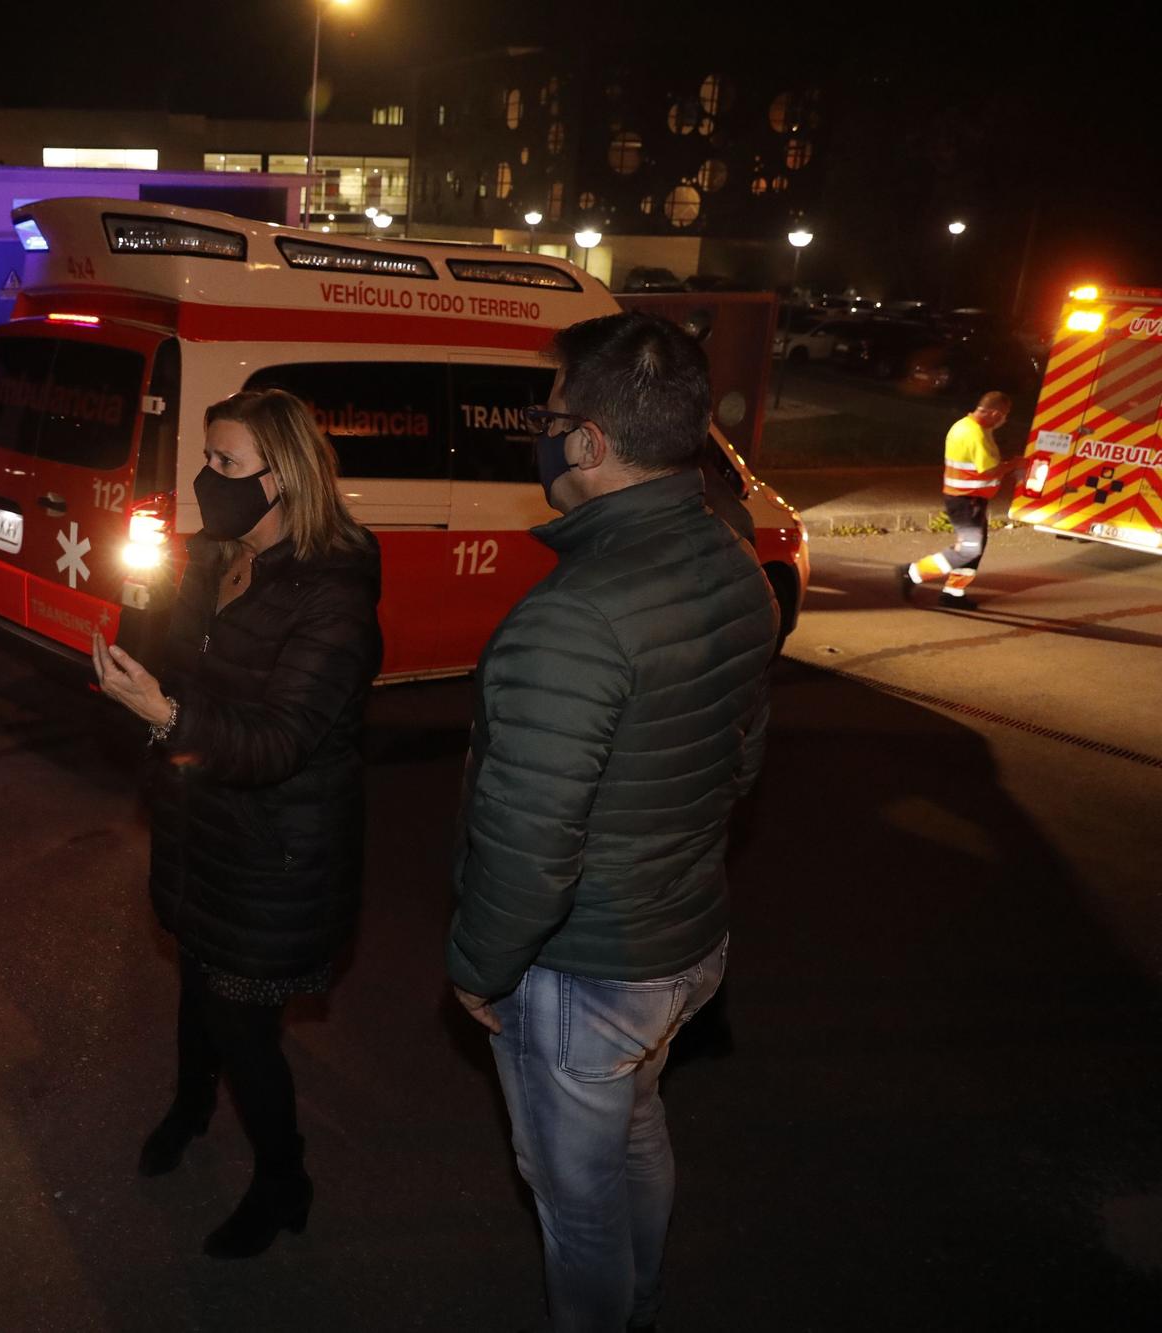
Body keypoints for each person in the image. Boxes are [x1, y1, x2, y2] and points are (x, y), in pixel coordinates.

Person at [448, 312, 778, 1333]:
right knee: (636, 1130)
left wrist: (477, 964)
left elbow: (528, 843)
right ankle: (640, 1305)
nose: (537, 434)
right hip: (685, 939)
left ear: (585, 443)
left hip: (585, 972)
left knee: (573, 1206)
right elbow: (738, 761)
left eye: (546, 418)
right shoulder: (730, 557)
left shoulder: (568, 619)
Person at [91, 388, 381, 1260]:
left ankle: (283, 1179)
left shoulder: (332, 600)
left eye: (225, 463)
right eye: (205, 458)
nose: (204, 477)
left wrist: (167, 714)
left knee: (244, 1025)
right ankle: (189, 1109)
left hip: (274, 849)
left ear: (284, 477)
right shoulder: (210, 557)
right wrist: (140, 658)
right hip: (200, 822)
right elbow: (182, 668)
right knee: (196, 982)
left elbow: (282, 741)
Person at [901, 391, 1014, 611]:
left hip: (969, 499)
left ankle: (954, 592)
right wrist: (1015, 464)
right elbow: (990, 470)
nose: (1004, 420)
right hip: (965, 500)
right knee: (970, 548)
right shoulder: (975, 434)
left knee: (975, 547)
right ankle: (913, 573)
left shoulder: (967, 426)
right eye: (1003, 415)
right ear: (993, 413)